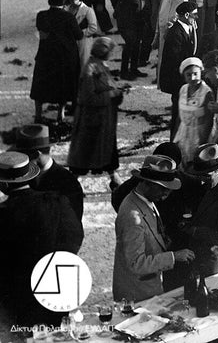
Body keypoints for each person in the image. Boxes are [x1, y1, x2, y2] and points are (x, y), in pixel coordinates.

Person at [0, 151, 84, 327]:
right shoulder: (57, 201)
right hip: (56, 286)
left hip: (19, 295)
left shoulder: (4, 213)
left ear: (5, 183)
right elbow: (76, 235)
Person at [113, 155, 194, 303]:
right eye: (162, 189)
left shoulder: (144, 200)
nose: (166, 195)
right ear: (146, 183)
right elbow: (136, 263)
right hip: (137, 295)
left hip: (148, 288)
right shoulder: (133, 217)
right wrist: (174, 257)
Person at [67, 37, 123, 188]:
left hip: (103, 120)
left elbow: (105, 86)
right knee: (85, 152)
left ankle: (114, 177)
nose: (112, 54)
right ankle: (72, 184)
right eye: (110, 51)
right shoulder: (90, 69)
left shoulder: (100, 65)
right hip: (91, 120)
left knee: (107, 148)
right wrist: (111, 95)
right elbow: (88, 97)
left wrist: (117, 91)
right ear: (103, 51)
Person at [183, 143, 218, 276]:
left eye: (206, 176)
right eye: (200, 176)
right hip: (211, 260)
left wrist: (195, 230)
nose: (202, 182)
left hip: (217, 265)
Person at [30, 0, 82, 126]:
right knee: (63, 85)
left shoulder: (41, 15)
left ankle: (38, 115)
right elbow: (79, 35)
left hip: (45, 55)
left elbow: (42, 31)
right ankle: (61, 114)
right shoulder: (69, 17)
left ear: (49, 0)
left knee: (40, 86)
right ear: (65, 2)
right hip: (65, 57)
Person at [15, 124, 85, 224]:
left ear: (36, 155)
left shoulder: (68, 183)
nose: (20, 161)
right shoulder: (23, 175)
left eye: (23, 157)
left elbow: (72, 228)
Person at [158, 1, 199, 136]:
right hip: (178, 83)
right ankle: (174, 143)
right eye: (195, 15)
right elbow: (177, 62)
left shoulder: (187, 28)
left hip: (184, 81)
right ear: (187, 15)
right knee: (178, 115)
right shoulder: (175, 33)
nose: (196, 18)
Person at [173, 57, 215, 162]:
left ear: (201, 72)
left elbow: (209, 119)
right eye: (188, 74)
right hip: (182, 133)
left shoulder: (207, 92)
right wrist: (174, 135)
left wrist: (203, 143)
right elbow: (179, 116)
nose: (192, 77)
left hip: (199, 135)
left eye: (195, 73)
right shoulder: (182, 89)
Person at [154, 0, 188, 81]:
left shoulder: (183, 1)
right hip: (162, 36)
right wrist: (156, 36)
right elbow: (159, 19)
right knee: (161, 59)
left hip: (174, 39)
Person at [66, 0, 101, 68]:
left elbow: (93, 28)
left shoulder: (87, 10)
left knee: (83, 66)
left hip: (84, 43)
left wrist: (81, 33)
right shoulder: (67, 11)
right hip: (70, 43)